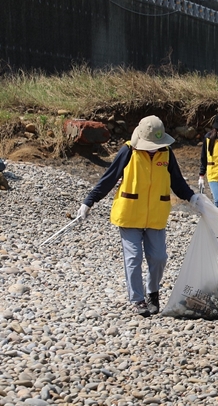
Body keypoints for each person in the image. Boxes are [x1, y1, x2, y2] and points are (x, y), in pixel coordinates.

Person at [76, 116, 198, 317]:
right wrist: (89, 201)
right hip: (130, 213)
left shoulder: (166, 153)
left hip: (156, 214)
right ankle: (138, 299)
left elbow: (177, 182)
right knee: (133, 257)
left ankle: (153, 292)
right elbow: (109, 178)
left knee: (159, 257)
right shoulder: (128, 151)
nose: (152, 148)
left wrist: (193, 199)